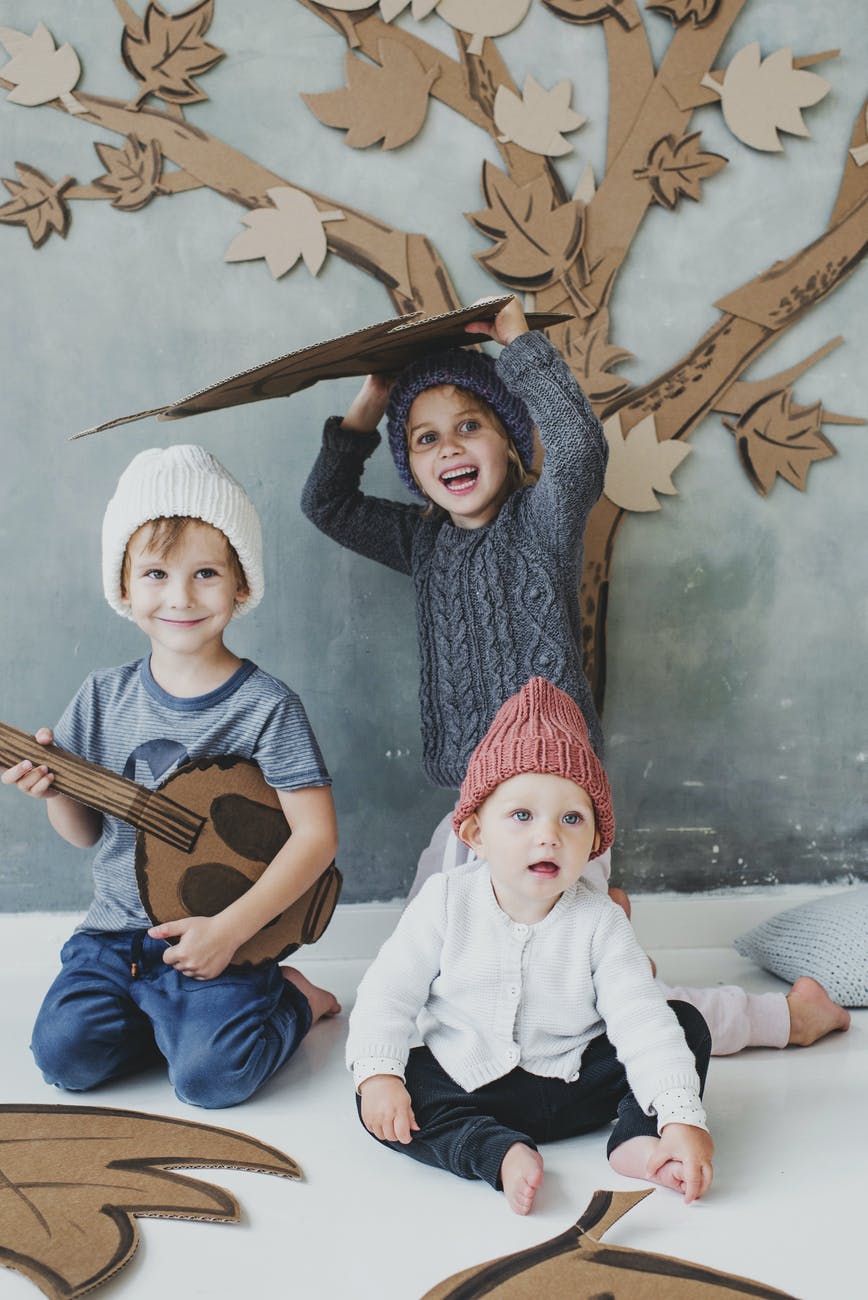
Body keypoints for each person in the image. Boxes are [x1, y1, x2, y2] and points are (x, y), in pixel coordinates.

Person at [303, 296, 849, 1057]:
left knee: (591, 999)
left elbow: (579, 446)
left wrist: (518, 342)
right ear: (412, 467)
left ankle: (779, 1018)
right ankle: (324, 1004)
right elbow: (325, 503)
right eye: (425, 439)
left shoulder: (542, 521)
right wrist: (372, 400)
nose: (449, 449)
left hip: (556, 810)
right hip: (473, 811)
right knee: (424, 961)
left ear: (508, 438)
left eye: (469, 425)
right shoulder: (422, 544)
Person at [2, 445, 340, 1108]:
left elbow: (315, 837)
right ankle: (167, 1020)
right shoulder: (101, 698)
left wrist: (232, 931)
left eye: (206, 573)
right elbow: (83, 834)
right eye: (155, 574)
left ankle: (295, 1000)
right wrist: (56, 794)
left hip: (222, 932)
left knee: (211, 1082)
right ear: (124, 590)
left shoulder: (267, 706)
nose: (180, 597)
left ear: (241, 585)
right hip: (114, 939)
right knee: (63, 1058)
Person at [347, 677, 714, 1214]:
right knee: (382, 1092)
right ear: (475, 834)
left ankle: (639, 1138)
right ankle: (495, 1151)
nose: (549, 836)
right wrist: (379, 1075)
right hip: (472, 1082)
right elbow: (388, 993)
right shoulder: (446, 900)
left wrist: (682, 1115)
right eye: (522, 816)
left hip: (576, 1083)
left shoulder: (600, 920)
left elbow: (641, 1021)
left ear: (594, 841)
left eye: (572, 818)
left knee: (682, 1023)